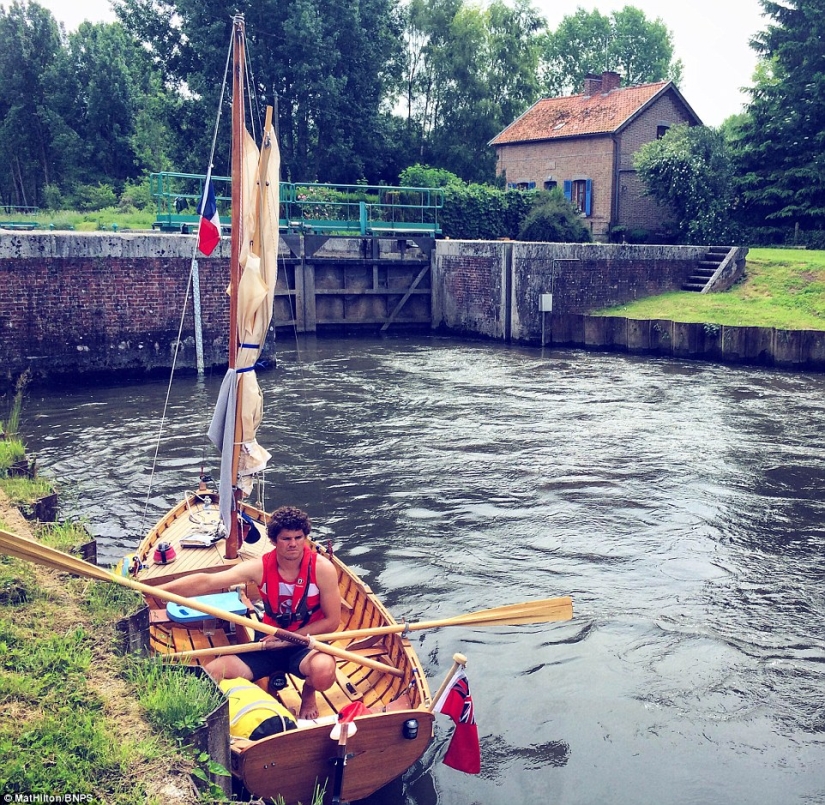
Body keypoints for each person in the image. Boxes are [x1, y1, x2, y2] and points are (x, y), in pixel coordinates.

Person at [158, 505, 340, 720]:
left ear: (305, 537)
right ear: (273, 541)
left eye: (298, 537)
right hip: (266, 643)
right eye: (286, 538)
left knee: (324, 672)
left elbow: (332, 622)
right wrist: (160, 590)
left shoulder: (322, 568)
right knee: (214, 672)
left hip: (306, 643)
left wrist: (288, 638)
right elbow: (208, 581)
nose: (293, 544)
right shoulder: (259, 568)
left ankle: (308, 693)